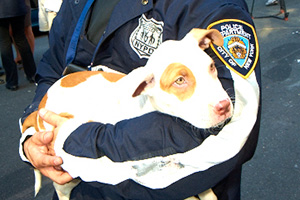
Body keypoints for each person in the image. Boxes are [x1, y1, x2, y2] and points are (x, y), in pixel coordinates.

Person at [19, 0, 261, 199]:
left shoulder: (207, 5)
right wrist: (32, 138)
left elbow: (238, 115)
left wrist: (83, 141)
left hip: (164, 187)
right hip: (79, 182)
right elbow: (53, 67)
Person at [0, 0, 36, 90]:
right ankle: (32, 74)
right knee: (21, 39)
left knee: (4, 42)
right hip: (17, 6)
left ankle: (12, 81)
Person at [10, 0, 35, 65]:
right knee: (13, 30)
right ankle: (19, 56)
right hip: (10, 4)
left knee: (26, 28)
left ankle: (30, 57)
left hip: (22, 3)